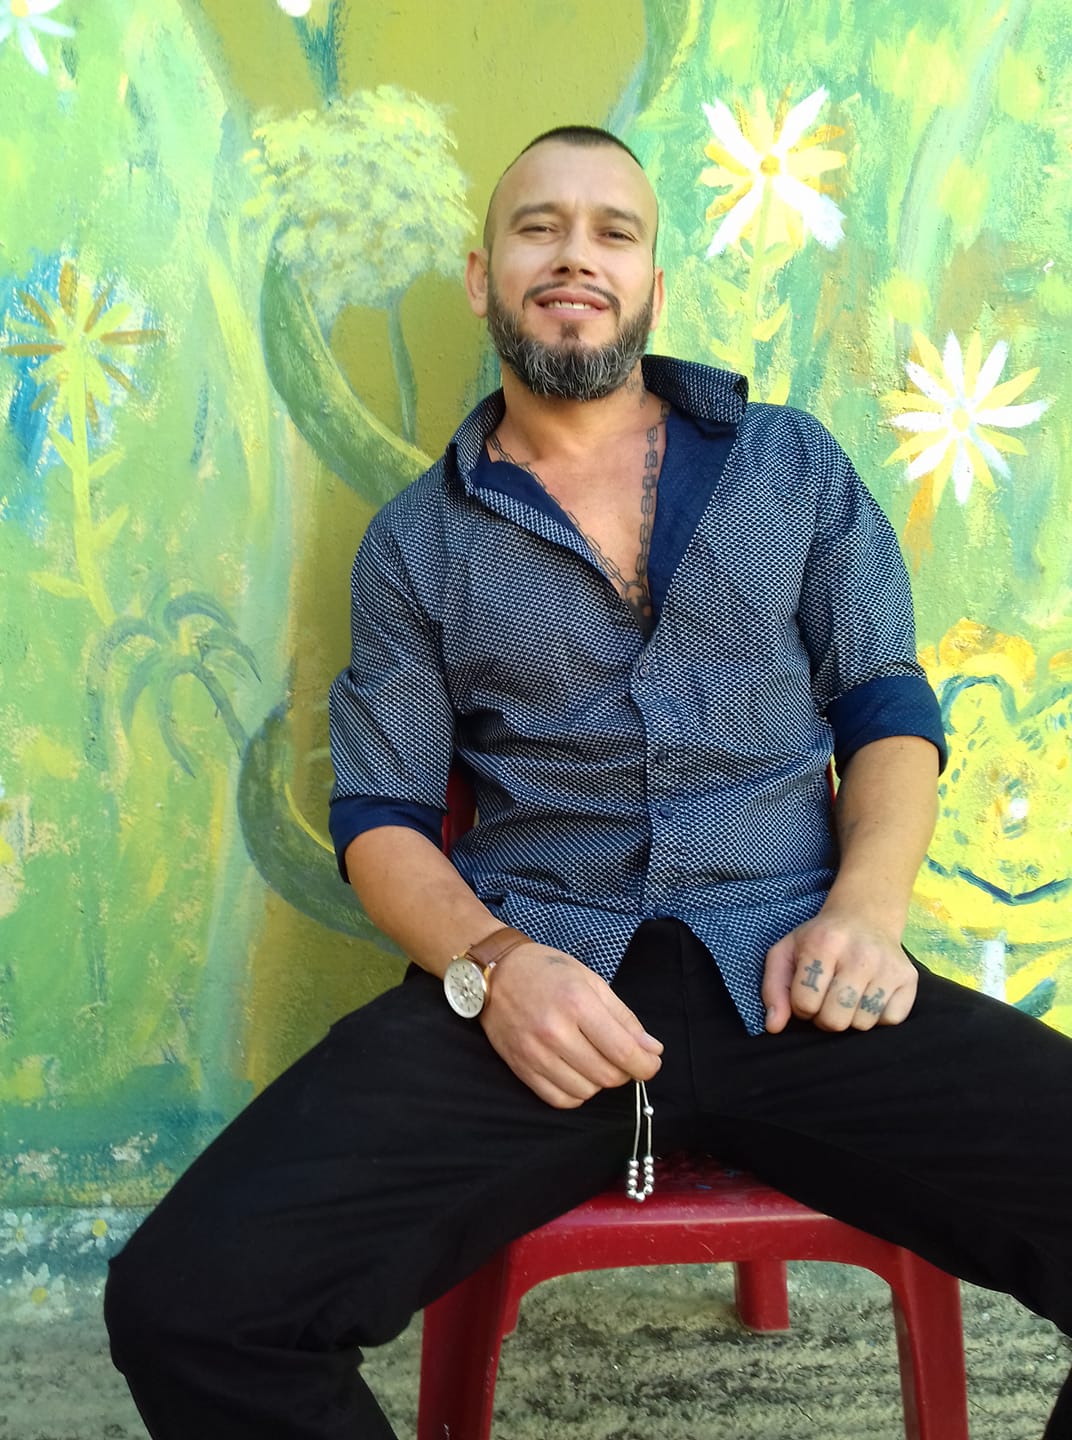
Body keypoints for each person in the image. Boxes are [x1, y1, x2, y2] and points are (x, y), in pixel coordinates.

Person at [105, 125, 1072, 1439]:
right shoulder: (415, 542)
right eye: (538, 228)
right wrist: (496, 969)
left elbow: (886, 709)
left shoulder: (790, 466)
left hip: (799, 978)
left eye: (613, 231)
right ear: (482, 278)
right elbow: (381, 821)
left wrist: (867, 910)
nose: (575, 256)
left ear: (653, 284)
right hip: (544, 993)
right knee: (189, 1302)